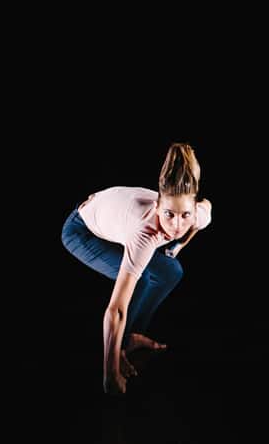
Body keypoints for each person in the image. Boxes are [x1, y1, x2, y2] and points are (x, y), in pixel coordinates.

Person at [61, 142, 212, 395]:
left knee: (171, 271)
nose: (175, 226)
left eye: (184, 215)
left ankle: (131, 338)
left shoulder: (197, 214)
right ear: (156, 208)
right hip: (81, 230)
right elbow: (115, 309)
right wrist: (110, 374)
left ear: (193, 210)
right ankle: (119, 349)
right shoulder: (145, 233)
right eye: (168, 214)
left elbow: (206, 208)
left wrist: (177, 248)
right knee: (139, 280)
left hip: (113, 217)